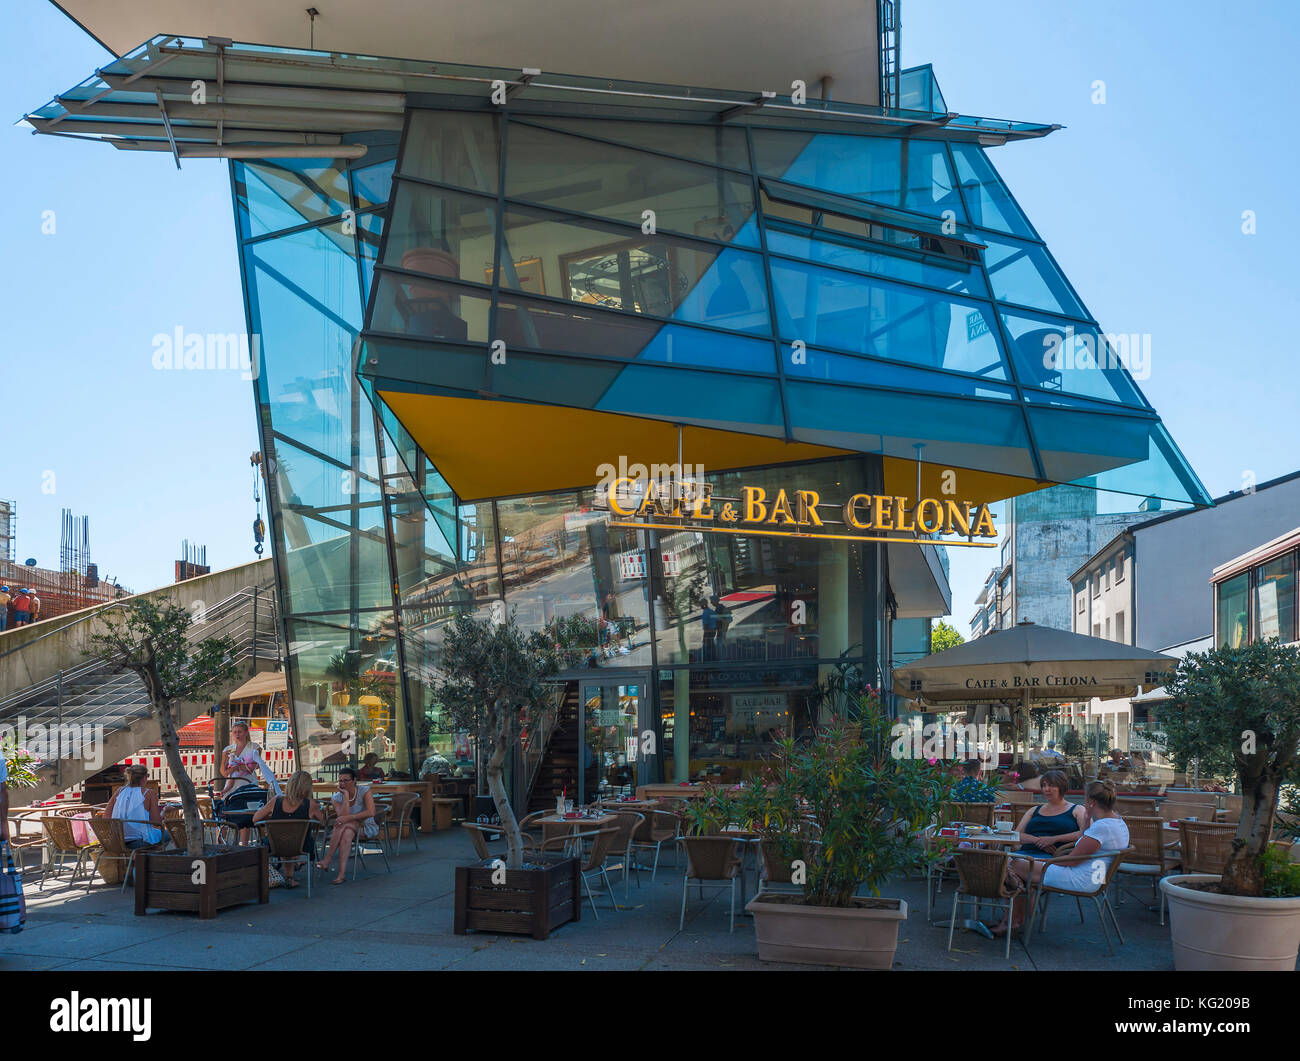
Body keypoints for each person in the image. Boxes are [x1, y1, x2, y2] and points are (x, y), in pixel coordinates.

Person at [994, 780, 1130, 936]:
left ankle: (1012, 920)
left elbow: (1072, 860)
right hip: (1093, 876)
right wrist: (1086, 820)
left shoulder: (1102, 827)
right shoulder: (1117, 822)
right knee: (1020, 868)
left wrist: (1043, 861)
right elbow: (1082, 845)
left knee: (1011, 863)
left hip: (1081, 878)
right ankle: (1016, 919)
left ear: (1091, 802)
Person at [252, 769, 323, 889]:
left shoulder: (276, 800)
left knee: (283, 837)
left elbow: (255, 818)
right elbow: (322, 822)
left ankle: (290, 875)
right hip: (301, 845)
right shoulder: (310, 804)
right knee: (293, 838)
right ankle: (291, 875)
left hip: (276, 845)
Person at [317, 768, 378, 885]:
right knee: (346, 834)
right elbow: (342, 816)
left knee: (345, 825)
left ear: (354, 780)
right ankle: (341, 874)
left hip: (366, 826)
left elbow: (371, 812)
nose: (342, 784)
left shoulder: (364, 791)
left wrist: (351, 818)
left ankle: (327, 859)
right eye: (340, 781)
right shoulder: (336, 797)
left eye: (346, 780)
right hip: (348, 828)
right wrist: (345, 797)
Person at [101, 765, 165, 848]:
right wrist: (164, 811)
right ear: (144, 778)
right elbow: (157, 822)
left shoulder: (120, 791)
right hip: (139, 839)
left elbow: (106, 817)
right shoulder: (149, 793)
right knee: (172, 834)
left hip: (118, 840)